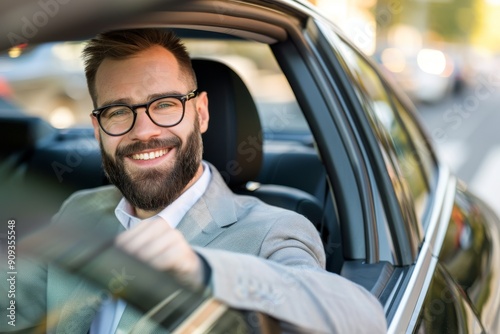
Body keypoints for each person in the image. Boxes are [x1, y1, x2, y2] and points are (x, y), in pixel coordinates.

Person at [2, 29, 387, 333]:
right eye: (118, 111)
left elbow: (362, 320)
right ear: (97, 128)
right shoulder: (79, 209)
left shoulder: (274, 230)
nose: (144, 130)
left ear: (200, 113)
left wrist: (201, 270)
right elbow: (13, 310)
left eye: (165, 104)